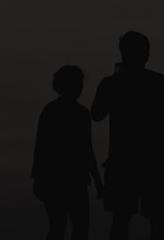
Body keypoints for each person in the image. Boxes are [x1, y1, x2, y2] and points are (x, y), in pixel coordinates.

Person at [90, 32, 164, 240]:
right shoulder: (160, 82)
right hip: (154, 162)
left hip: (123, 162)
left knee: (121, 220)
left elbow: (96, 114)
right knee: (157, 221)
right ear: (147, 55)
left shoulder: (112, 84)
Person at [33, 65, 104, 240]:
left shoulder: (56, 111)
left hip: (67, 180)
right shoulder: (76, 113)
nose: (79, 88)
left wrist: (97, 180)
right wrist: (97, 181)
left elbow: (86, 150)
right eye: (76, 84)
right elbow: (86, 151)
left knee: (65, 227)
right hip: (63, 180)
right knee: (68, 227)